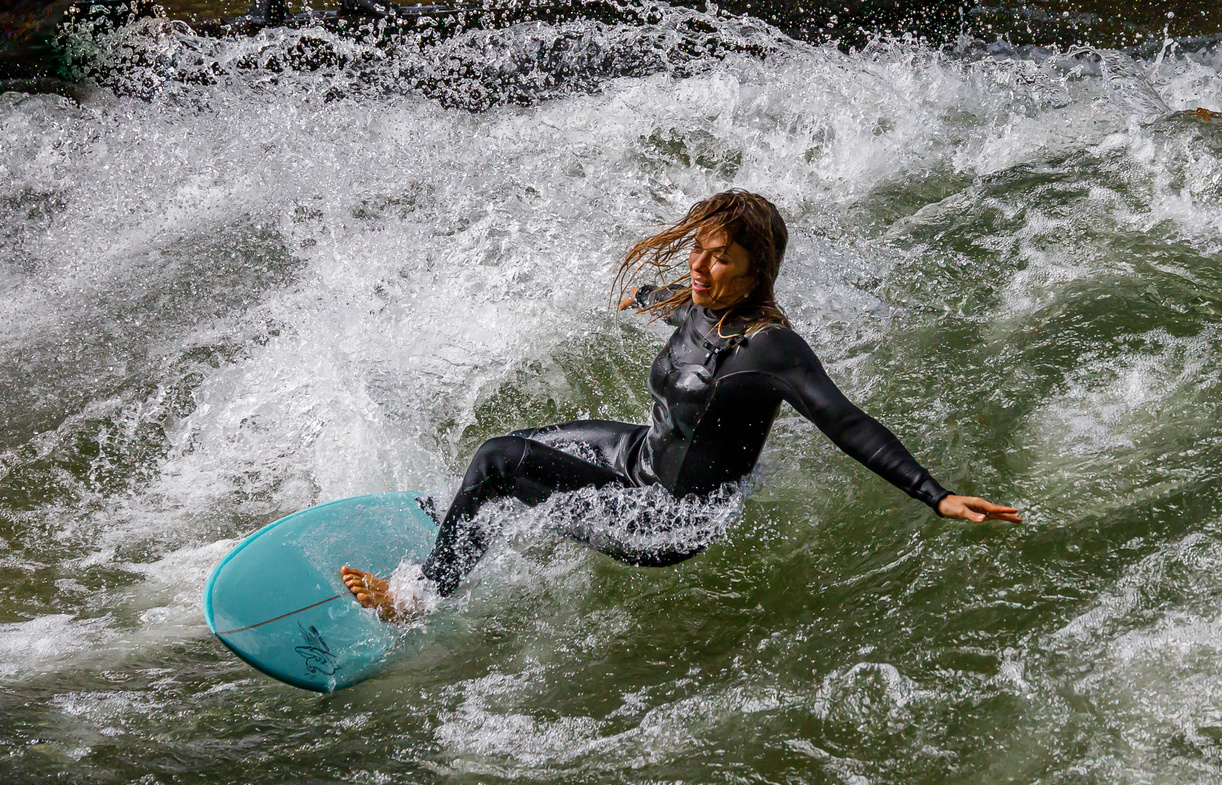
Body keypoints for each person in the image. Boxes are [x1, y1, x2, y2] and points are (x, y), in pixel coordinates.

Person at [343, 190, 1019, 620]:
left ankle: (418, 598)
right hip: (640, 455)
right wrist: (642, 300)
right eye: (697, 248)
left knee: (499, 461)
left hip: (667, 515)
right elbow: (674, 308)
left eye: (719, 258)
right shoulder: (699, 303)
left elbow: (846, 422)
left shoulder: (770, 349)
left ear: (756, 269)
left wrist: (935, 494)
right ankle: (462, 522)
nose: (698, 266)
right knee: (518, 444)